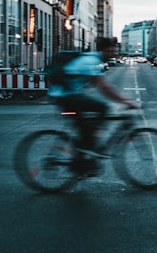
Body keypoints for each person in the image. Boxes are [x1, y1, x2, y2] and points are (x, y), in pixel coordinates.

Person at [47, 37, 138, 174]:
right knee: (102, 107)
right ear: (101, 50)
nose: (111, 54)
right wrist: (125, 101)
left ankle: (86, 150)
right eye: (108, 51)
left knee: (89, 120)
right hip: (65, 96)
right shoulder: (92, 61)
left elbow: (94, 83)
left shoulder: (93, 59)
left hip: (68, 94)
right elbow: (104, 87)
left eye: (113, 51)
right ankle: (87, 151)